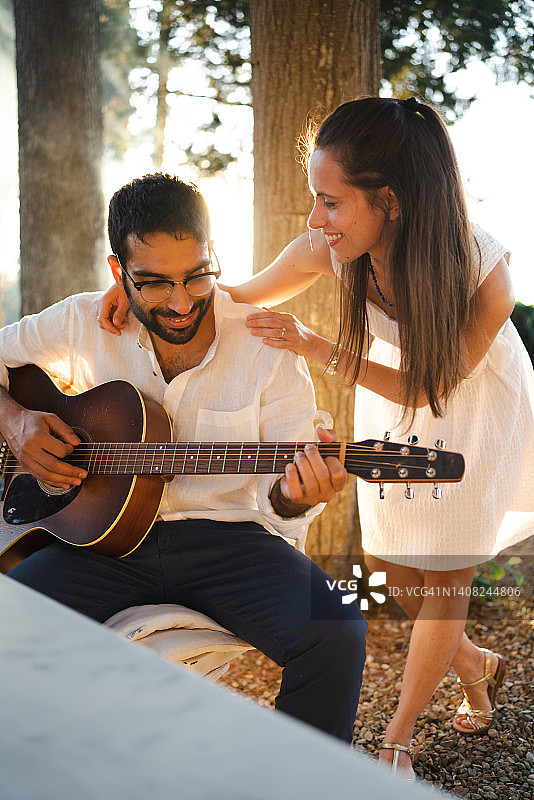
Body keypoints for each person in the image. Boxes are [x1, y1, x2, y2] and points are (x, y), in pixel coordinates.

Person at [99, 98, 534, 780]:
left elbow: (428, 390)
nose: (313, 219)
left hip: (473, 410)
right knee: (394, 573)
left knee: (445, 578)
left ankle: (396, 740)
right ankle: (475, 666)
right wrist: (147, 293)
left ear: (386, 201)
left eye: (329, 201)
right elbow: (238, 294)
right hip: (390, 404)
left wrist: (313, 344)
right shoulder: (328, 247)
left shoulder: (487, 275)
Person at [0, 173, 368, 745]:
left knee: (337, 629)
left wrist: (296, 496)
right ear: (119, 272)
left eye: (197, 276)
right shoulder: (81, 320)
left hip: (233, 545)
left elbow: (282, 499)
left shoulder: (267, 347)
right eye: (153, 283)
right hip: (104, 546)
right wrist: (17, 422)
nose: (180, 301)